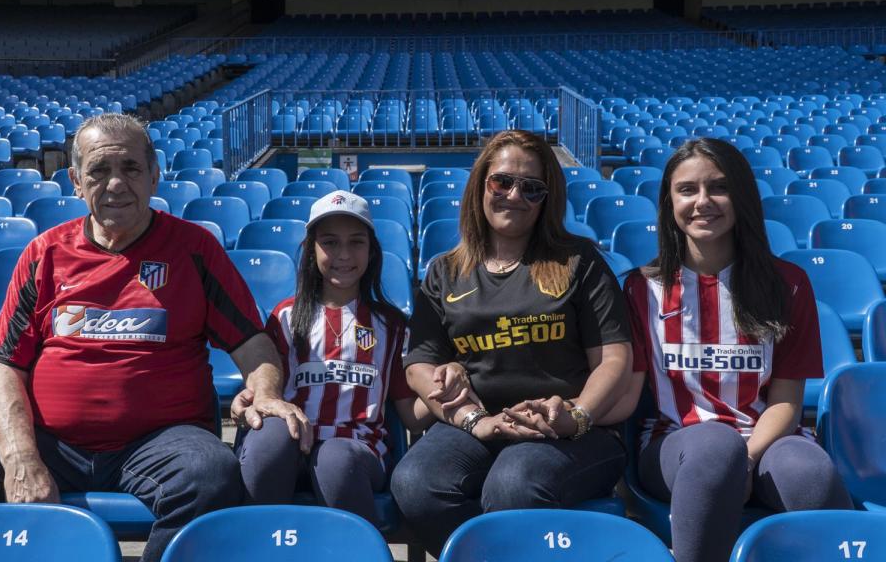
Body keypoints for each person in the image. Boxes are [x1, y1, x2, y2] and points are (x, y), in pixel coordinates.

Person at [0, 113, 310, 562]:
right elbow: (5, 367)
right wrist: (21, 457)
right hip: (52, 443)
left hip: (159, 441)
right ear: (76, 182)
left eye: (130, 168)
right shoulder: (45, 253)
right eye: (99, 171)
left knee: (212, 475)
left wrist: (265, 391)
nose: (116, 184)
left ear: (154, 174)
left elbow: (252, 343)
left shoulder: (195, 249)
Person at [390, 130, 639, 557]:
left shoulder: (578, 261)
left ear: (547, 199)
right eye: (501, 182)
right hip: (480, 422)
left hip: (571, 431)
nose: (514, 195)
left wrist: (576, 416)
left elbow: (615, 359)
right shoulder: (446, 271)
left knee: (514, 483)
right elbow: (420, 364)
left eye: (532, 188)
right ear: (480, 185)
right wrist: (471, 419)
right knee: (416, 484)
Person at [623, 138, 853, 562]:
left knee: (809, 473)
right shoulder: (640, 289)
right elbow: (629, 393)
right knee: (713, 447)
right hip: (674, 444)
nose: (703, 201)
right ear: (669, 201)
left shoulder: (788, 284)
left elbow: (786, 402)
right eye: (687, 189)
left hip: (765, 439)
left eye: (719, 187)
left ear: (742, 196)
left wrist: (745, 459)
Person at [231, 190, 432, 524]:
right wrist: (246, 400)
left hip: (357, 451)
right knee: (268, 443)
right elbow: (265, 393)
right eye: (330, 243)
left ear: (372, 251)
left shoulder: (392, 325)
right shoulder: (285, 317)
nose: (343, 254)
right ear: (312, 250)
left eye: (356, 242)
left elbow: (410, 414)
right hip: (292, 443)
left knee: (336, 457)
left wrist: (460, 383)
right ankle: (261, 544)